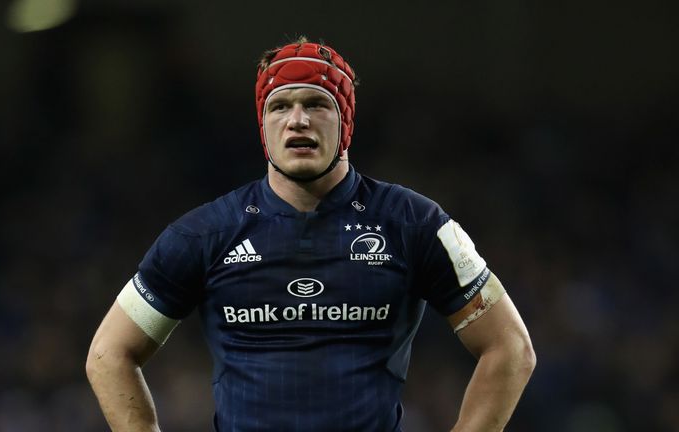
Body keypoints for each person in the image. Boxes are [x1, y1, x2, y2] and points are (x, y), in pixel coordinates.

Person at [86, 37, 536, 432]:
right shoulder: (205, 233)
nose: (297, 120)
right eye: (280, 106)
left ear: (345, 121)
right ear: (264, 127)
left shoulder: (414, 223)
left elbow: (509, 346)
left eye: (317, 104)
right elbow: (109, 354)